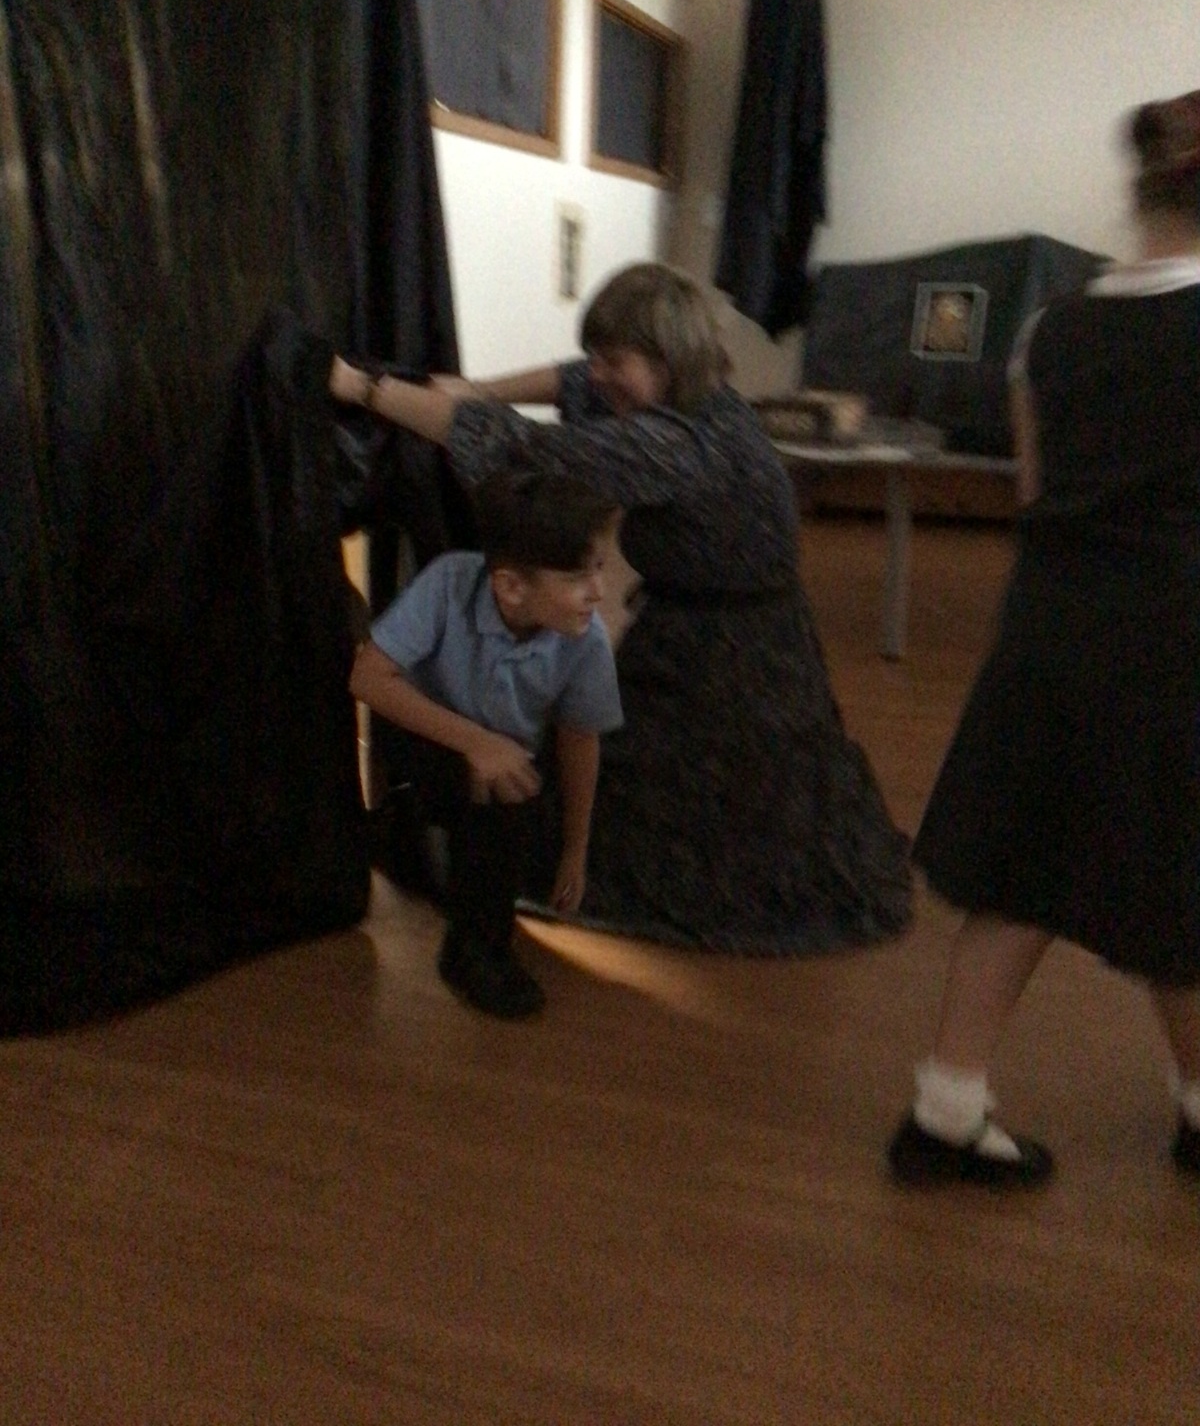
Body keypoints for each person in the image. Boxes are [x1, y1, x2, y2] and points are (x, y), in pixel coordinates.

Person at [330, 261, 912, 955]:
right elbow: (574, 380)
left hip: (730, 654)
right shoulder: (706, 400)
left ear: (667, 357)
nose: (599, 374)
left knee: (697, 806)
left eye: (616, 360)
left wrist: (363, 388)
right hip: (730, 626)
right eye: (599, 356)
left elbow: (522, 447)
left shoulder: (677, 444)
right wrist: (479, 387)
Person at [888, 88, 1200, 1187]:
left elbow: (1036, 488)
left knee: (1025, 870)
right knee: (1181, 877)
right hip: (1176, 640)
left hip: (1050, 628)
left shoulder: (1049, 329)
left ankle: (947, 1104)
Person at [349, 469, 623, 1019]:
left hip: (507, 750)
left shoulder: (585, 640)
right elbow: (368, 678)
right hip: (425, 732)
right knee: (503, 791)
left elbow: (580, 739)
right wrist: (476, 743)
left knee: (517, 804)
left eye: (598, 568)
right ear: (512, 587)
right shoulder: (449, 584)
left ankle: (430, 850)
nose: (598, 591)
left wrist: (576, 849)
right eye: (577, 576)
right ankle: (475, 952)